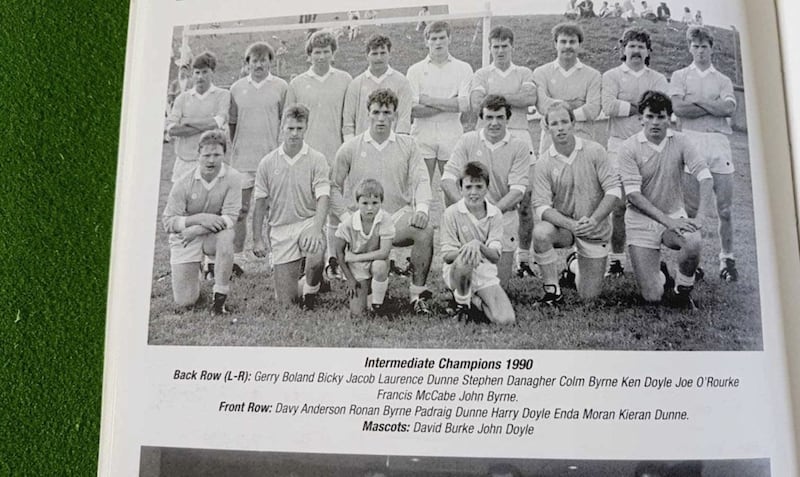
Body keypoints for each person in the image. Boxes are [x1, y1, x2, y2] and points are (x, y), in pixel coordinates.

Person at [332, 89, 435, 314]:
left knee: (425, 229)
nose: (381, 118)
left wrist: (423, 208)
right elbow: (333, 188)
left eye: (386, 113)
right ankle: (371, 288)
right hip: (362, 222)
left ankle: (417, 295)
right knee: (360, 309)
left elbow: (421, 179)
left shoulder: (408, 145)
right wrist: (346, 219)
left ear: (395, 115)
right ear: (367, 114)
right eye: (376, 112)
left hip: (395, 218)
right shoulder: (350, 147)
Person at [618, 91, 713, 307]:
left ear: (669, 118)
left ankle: (683, 289)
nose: (655, 122)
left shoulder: (681, 141)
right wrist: (667, 221)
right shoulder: (628, 147)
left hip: (673, 216)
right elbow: (633, 195)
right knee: (652, 296)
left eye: (661, 117)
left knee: (693, 241)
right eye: (650, 116)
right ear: (640, 118)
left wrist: (699, 217)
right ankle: (661, 274)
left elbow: (705, 177)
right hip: (641, 222)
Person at [532, 104, 621, 304]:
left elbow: (614, 191)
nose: (560, 127)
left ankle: (573, 265)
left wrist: (595, 219)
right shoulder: (544, 162)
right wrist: (571, 225)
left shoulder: (595, 150)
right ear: (547, 128)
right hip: (564, 228)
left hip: (593, 228)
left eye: (564, 121)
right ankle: (552, 293)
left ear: (573, 123)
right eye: (554, 123)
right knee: (540, 233)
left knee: (588, 297)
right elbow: (541, 207)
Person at [670, 26, 739, 281]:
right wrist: (712, 107)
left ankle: (727, 261)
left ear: (712, 48)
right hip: (691, 140)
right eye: (696, 46)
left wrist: (695, 103)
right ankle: (692, 262)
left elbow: (728, 110)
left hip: (719, 142)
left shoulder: (723, 80)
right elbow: (678, 108)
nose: (700, 51)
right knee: (690, 209)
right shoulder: (679, 76)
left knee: (725, 209)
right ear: (690, 48)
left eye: (704, 46)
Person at [532, 22, 601, 275]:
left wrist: (558, 107)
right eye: (563, 41)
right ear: (555, 44)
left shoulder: (593, 75)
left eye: (572, 42)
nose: (568, 46)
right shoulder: (541, 72)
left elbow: (593, 109)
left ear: (579, 45)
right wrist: (574, 105)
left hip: (583, 144)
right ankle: (548, 262)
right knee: (548, 199)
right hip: (550, 145)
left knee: (582, 198)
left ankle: (577, 259)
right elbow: (542, 106)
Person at [469, 25, 537, 277]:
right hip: (490, 138)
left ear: (512, 47)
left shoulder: (524, 71)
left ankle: (525, 259)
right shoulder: (481, 73)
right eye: (495, 46)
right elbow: (477, 104)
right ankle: (487, 249)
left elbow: (529, 98)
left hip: (520, 135)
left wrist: (493, 97)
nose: (499, 51)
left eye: (504, 46)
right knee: (490, 194)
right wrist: (510, 98)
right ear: (490, 48)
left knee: (524, 199)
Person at [441, 95, 529, 286]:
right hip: (468, 216)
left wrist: (490, 214)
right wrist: (465, 209)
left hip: (502, 216)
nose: (494, 123)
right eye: (489, 117)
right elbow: (447, 179)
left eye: (500, 117)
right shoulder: (467, 140)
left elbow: (518, 191)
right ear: (482, 118)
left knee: (498, 287)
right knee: (463, 281)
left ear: (508, 118)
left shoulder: (520, 146)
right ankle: (461, 292)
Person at [601, 28, 669, 278]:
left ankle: (654, 259)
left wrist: (628, 106)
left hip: (649, 146)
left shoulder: (658, 78)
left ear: (648, 51)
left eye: (641, 46)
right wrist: (644, 107)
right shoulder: (611, 76)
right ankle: (616, 259)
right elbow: (607, 106)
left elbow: (662, 109)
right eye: (631, 46)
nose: (636, 50)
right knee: (618, 205)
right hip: (618, 145)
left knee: (650, 204)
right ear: (623, 50)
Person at [286, 31, 353, 280]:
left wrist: (345, 151)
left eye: (326, 51)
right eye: (317, 52)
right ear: (309, 56)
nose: (321, 56)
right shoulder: (297, 83)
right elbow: (289, 121)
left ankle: (333, 260)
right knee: (308, 208)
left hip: (336, 153)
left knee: (335, 208)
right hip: (307, 156)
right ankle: (306, 259)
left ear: (333, 53)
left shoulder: (345, 79)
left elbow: (348, 119)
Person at [251, 105, 330, 310]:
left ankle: (311, 293)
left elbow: (323, 197)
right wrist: (257, 239)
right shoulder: (267, 163)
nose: (295, 133)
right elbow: (260, 204)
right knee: (286, 301)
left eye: (299, 128)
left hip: (307, 222)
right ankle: (315, 282)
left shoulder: (317, 159)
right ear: (282, 128)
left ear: (305, 128)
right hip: (281, 228)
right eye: (290, 128)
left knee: (316, 252)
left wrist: (316, 228)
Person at [162, 130, 242, 315]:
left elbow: (231, 217)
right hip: (185, 237)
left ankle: (219, 299)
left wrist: (197, 229)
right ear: (198, 154)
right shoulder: (184, 181)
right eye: (206, 155)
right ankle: (195, 269)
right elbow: (168, 222)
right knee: (185, 301)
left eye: (217, 155)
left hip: (209, 233)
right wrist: (200, 218)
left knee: (226, 235)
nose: (211, 160)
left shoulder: (233, 177)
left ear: (224, 154)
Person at [229, 42, 288, 275]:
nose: (259, 64)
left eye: (264, 60)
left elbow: (285, 122)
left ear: (270, 62)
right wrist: (240, 147)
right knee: (240, 210)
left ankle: (277, 257)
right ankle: (238, 259)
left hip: (272, 160)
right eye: (255, 60)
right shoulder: (236, 88)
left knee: (274, 211)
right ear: (247, 63)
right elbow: (232, 124)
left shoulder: (281, 87)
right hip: (243, 161)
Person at [441, 162, 515, 324]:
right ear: (460, 189)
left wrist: (478, 245)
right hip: (458, 271)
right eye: (468, 187)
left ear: (486, 188)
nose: (473, 192)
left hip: (484, 272)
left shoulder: (494, 214)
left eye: (478, 187)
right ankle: (462, 305)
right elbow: (447, 255)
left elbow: (495, 256)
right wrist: (468, 249)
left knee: (505, 320)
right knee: (467, 258)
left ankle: (475, 302)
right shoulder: (451, 213)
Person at [406, 21, 473, 182]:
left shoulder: (463, 68)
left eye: (442, 37)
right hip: (422, 134)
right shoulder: (414, 71)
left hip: (452, 133)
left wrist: (427, 100)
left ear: (449, 39)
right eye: (433, 38)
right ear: (426, 41)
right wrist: (450, 104)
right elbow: (413, 109)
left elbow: (464, 105)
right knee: (421, 186)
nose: (438, 42)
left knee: (453, 187)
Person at [165, 51, 231, 183]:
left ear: (212, 72)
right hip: (184, 161)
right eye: (197, 72)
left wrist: (186, 123)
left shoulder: (223, 95)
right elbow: (171, 129)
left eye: (205, 72)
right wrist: (207, 126)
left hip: (210, 160)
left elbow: (218, 122)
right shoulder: (182, 98)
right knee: (179, 201)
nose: (200, 77)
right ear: (193, 74)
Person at [334, 179, 394, 316]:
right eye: (365, 203)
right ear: (357, 203)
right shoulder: (348, 224)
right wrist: (349, 278)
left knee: (380, 266)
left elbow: (384, 252)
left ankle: (377, 303)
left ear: (381, 202)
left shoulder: (385, 218)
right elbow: (339, 253)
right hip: (356, 267)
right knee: (358, 313)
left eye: (375, 203)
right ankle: (369, 292)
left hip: (375, 261)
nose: (370, 208)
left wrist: (356, 257)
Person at [342, 34, 413, 140]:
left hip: (391, 146)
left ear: (389, 54)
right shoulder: (356, 84)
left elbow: (404, 119)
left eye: (383, 53)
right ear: (367, 56)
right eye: (374, 54)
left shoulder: (402, 82)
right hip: (363, 146)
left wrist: (398, 147)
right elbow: (348, 123)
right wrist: (353, 147)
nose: (379, 58)